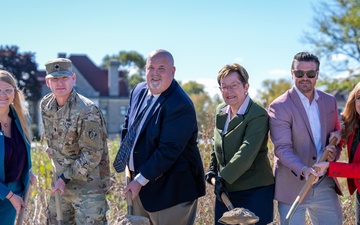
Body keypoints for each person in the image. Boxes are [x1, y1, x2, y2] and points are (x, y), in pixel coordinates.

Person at [113, 49, 206, 225]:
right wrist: (129, 162)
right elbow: (128, 127)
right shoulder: (138, 90)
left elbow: (168, 151)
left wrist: (139, 180)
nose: (155, 74)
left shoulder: (180, 105)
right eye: (151, 68)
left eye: (161, 68)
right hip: (140, 186)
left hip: (172, 192)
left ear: (173, 71)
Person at [268, 52, 343, 225]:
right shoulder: (279, 106)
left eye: (310, 74)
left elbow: (336, 136)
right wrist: (304, 169)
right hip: (292, 184)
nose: (304, 78)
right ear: (292, 73)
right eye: (299, 73)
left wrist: (334, 154)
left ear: (317, 74)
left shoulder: (330, 101)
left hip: (325, 183)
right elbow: (282, 148)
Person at [40, 58, 110, 224]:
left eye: (64, 78)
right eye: (55, 79)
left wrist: (64, 178)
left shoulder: (87, 110)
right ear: (47, 82)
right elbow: (52, 137)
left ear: (73, 78)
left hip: (88, 187)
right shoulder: (46, 106)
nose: (60, 83)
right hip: (60, 184)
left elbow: (92, 155)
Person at [204, 63, 274, 225]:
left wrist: (223, 178)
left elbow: (247, 151)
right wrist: (213, 168)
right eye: (224, 87)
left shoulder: (258, 115)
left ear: (246, 86)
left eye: (234, 86)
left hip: (254, 190)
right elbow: (217, 143)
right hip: (225, 191)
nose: (228, 91)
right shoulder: (220, 111)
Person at [314, 81, 360, 225]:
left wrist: (330, 167)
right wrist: (340, 134)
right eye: (359, 97)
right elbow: (349, 136)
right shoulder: (356, 124)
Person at [0, 69, 37, 224]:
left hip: (13, 192)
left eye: (8, 90)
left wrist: (27, 172)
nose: (3, 95)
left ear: (14, 93)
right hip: (8, 194)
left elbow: (19, 152)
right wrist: (9, 195)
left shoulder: (20, 119)